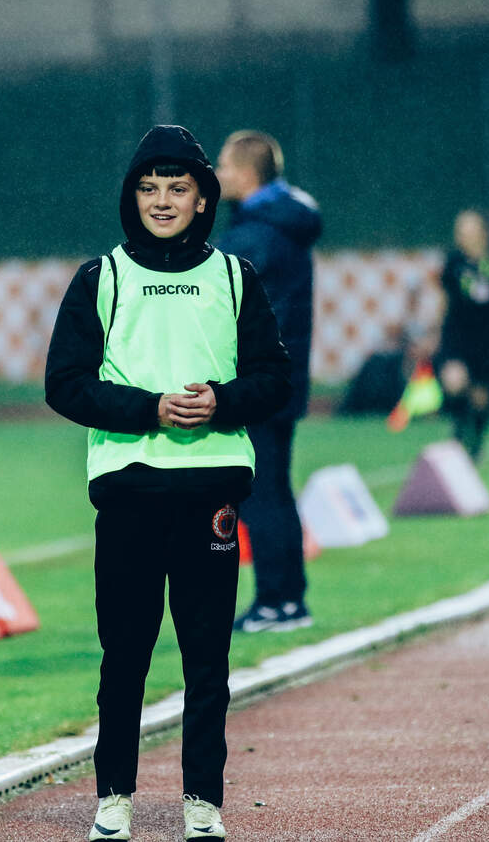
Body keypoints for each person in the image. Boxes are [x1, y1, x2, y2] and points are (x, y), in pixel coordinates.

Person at [46, 124, 290, 841]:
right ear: (132, 196)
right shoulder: (102, 277)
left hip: (210, 494)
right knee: (124, 655)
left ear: (203, 198)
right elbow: (64, 383)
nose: (162, 200)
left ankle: (203, 803)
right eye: (149, 188)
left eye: (177, 188)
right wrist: (148, 408)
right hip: (129, 491)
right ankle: (114, 797)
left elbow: (275, 379)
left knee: (207, 660)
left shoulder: (235, 277)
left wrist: (221, 399)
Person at [215, 130, 322, 633]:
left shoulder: (257, 234)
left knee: (261, 495)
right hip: (282, 376)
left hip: (258, 379)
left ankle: (276, 602)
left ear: (246, 174)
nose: (217, 175)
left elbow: (214, 294)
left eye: (224, 166)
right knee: (275, 489)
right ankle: (289, 601)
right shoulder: (284, 224)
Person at [431, 209, 489, 460]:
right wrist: (435, 333)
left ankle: (476, 441)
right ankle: (457, 435)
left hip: (486, 338)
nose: (463, 236)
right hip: (456, 336)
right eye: (460, 230)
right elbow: (443, 299)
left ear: (482, 233)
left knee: (481, 398)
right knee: (454, 381)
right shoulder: (453, 264)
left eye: (468, 230)